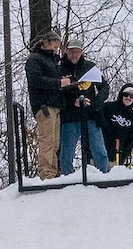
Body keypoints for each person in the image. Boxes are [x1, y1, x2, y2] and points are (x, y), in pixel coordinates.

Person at [57, 40, 111, 175]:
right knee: (66, 153)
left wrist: (96, 103)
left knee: (99, 151)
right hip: (70, 116)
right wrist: (72, 102)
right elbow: (55, 93)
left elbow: (104, 87)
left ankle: (102, 178)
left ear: (82, 53)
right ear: (66, 51)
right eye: (71, 51)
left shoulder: (90, 67)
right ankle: (67, 180)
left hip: (91, 115)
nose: (74, 55)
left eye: (77, 52)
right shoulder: (59, 69)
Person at [24, 31, 68, 180]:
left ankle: (54, 171)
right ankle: (46, 173)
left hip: (56, 105)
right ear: (46, 43)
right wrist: (58, 83)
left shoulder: (55, 62)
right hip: (44, 105)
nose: (56, 49)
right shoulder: (35, 60)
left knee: (55, 143)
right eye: (54, 46)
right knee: (47, 142)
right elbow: (36, 80)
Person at [102, 83, 133, 166]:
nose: (128, 98)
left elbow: (130, 141)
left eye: (132, 96)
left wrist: (123, 157)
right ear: (121, 94)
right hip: (100, 156)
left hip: (116, 160)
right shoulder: (107, 107)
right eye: (126, 94)